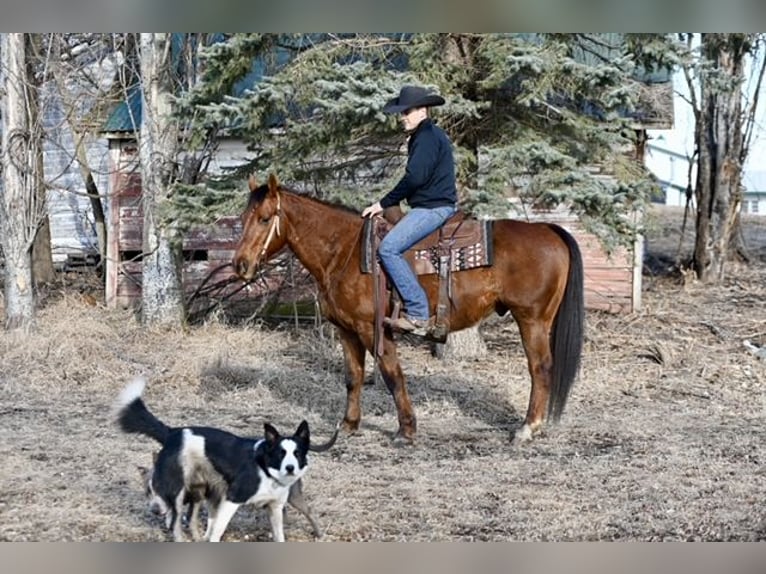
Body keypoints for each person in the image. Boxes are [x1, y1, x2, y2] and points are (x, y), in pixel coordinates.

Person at [362, 85, 458, 336]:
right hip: (430, 204)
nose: (403, 116)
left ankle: (417, 312)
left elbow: (415, 177)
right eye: (402, 112)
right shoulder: (427, 135)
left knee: (389, 248)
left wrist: (382, 203)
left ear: (423, 110)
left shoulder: (426, 137)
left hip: (433, 208)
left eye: (408, 111)